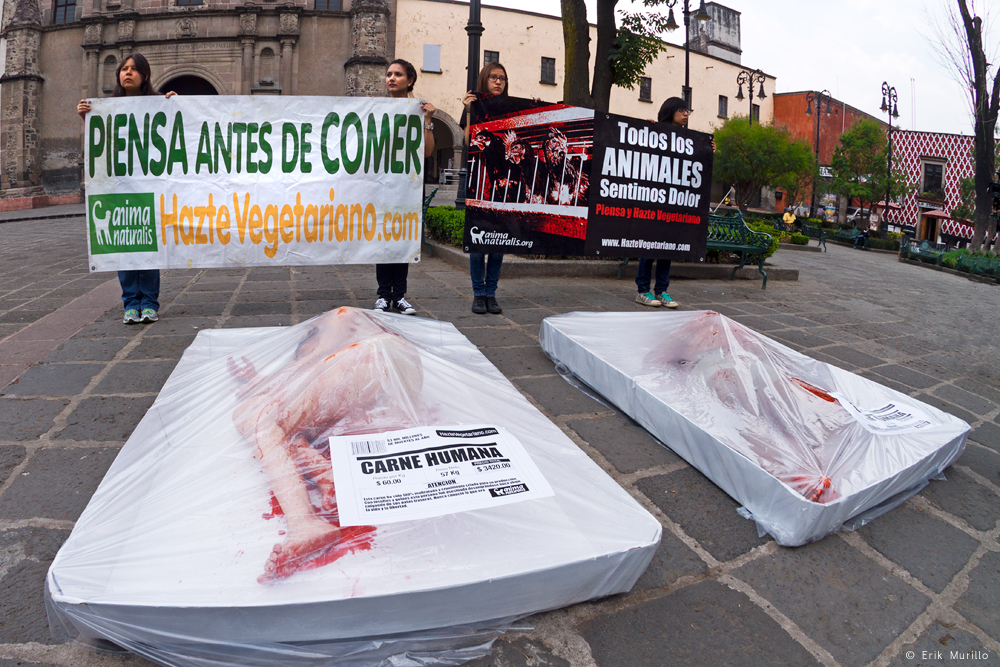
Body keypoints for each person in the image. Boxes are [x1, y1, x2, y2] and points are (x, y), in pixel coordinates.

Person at [77, 54, 176, 325]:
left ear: (145, 75)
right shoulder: (107, 108)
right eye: (124, 69)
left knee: (148, 248)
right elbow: (101, 141)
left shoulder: (160, 103)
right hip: (120, 187)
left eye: (134, 69)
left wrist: (177, 105)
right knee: (126, 245)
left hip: (149, 188)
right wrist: (87, 118)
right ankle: (131, 303)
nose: (128, 73)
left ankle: (149, 303)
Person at [634, 97, 714, 309]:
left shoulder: (689, 139)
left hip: (674, 202)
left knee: (667, 246)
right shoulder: (655, 132)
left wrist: (708, 150)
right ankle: (643, 290)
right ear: (670, 111)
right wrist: (648, 130)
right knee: (649, 246)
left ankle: (661, 290)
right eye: (681, 110)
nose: (686, 114)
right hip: (654, 199)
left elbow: (695, 165)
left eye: (688, 111)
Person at [373, 59, 436, 315]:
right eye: (389, 74)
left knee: (402, 238)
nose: (391, 78)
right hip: (382, 185)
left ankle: (398, 296)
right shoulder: (375, 110)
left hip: (407, 186)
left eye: (398, 74)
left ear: (410, 80)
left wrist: (428, 119)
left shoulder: (418, 111)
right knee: (383, 240)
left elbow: (427, 152)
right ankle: (383, 295)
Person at [461, 62, 510, 315]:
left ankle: (491, 293)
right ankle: (478, 294)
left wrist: (535, 106)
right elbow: (468, 140)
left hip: (502, 186)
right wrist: (469, 111)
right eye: (493, 77)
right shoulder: (473, 105)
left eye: (502, 78)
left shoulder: (511, 107)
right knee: (479, 242)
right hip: (479, 184)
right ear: (484, 79)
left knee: (498, 243)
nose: (498, 82)